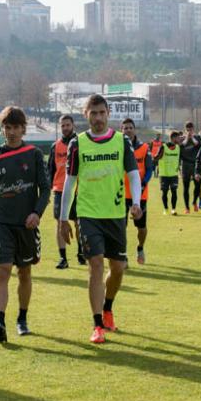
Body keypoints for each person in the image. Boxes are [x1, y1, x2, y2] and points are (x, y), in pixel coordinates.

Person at [59, 94, 142, 344]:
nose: (97, 118)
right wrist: (63, 218)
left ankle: (107, 308)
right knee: (95, 264)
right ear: (86, 115)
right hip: (87, 214)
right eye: (93, 113)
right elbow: (70, 181)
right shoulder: (77, 144)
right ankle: (97, 325)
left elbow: (134, 174)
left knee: (117, 268)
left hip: (115, 214)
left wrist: (136, 202)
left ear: (108, 114)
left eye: (102, 113)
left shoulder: (121, 142)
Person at [0, 107, 50, 343]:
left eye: (15, 127)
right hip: (1, 225)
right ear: (2, 129)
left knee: (25, 272)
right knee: (3, 271)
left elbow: (46, 188)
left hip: (26, 226)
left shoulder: (34, 154)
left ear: (23, 129)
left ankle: (22, 318)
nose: (11, 132)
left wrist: (36, 213)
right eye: (7, 127)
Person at [48, 115, 84, 269]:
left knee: (79, 224)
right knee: (59, 224)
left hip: (78, 190)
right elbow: (50, 170)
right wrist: (47, 191)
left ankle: (81, 253)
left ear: (73, 125)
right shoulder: (55, 146)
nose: (65, 128)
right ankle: (63, 258)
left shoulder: (81, 143)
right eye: (62, 125)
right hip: (60, 190)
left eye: (67, 125)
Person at [121, 118, 153, 265]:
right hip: (120, 195)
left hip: (139, 195)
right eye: (125, 128)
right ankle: (123, 255)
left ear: (134, 129)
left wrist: (143, 183)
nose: (128, 130)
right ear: (122, 131)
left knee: (141, 228)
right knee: (121, 227)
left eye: (130, 127)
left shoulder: (144, 148)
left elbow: (149, 169)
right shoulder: (117, 147)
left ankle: (140, 248)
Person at [154, 131, 181, 215]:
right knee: (164, 192)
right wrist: (157, 156)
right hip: (164, 174)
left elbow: (179, 159)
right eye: (178, 138)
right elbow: (156, 157)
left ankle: (173, 209)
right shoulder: (163, 146)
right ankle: (166, 209)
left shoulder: (178, 148)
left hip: (174, 174)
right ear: (173, 138)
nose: (179, 139)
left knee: (174, 192)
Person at [179, 122, 201, 213]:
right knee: (186, 187)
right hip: (185, 165)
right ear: (185, 130)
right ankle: (187, 207)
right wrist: (186, 138)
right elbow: (181, 148)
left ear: (193, 129)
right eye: (188, 130)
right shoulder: (181, 139)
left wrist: (191, 137)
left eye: (191, 129)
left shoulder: (197, 138)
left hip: (196, 165)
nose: (189, 131)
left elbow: (199, 146)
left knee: (198, 186)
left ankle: (194, 202)